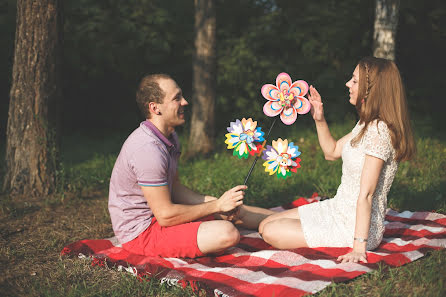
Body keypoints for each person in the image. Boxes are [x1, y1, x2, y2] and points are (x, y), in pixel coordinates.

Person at [259, 57, 416, 263]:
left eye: (354, 81)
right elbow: (331, 152)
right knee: (264, 225)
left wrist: (359, 247)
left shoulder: (379, 131)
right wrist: (319, 118)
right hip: (337, 209)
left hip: (353, 227)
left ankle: (355, 242)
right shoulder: (365, 125)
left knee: (271, 231)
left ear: (371, 90)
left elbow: (367, 195)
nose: (348, 84)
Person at [108, 74, 274, 258]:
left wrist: (216, 202)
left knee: (231, 210)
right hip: (141, 233)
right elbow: (165, 215)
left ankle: (290, 217)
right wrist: (216, 206)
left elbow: (176, 188)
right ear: (155, 108)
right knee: (226, 233)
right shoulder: (148, 150)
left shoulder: (170, 137)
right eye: (176, 98)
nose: (185, 102)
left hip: (161, 217)